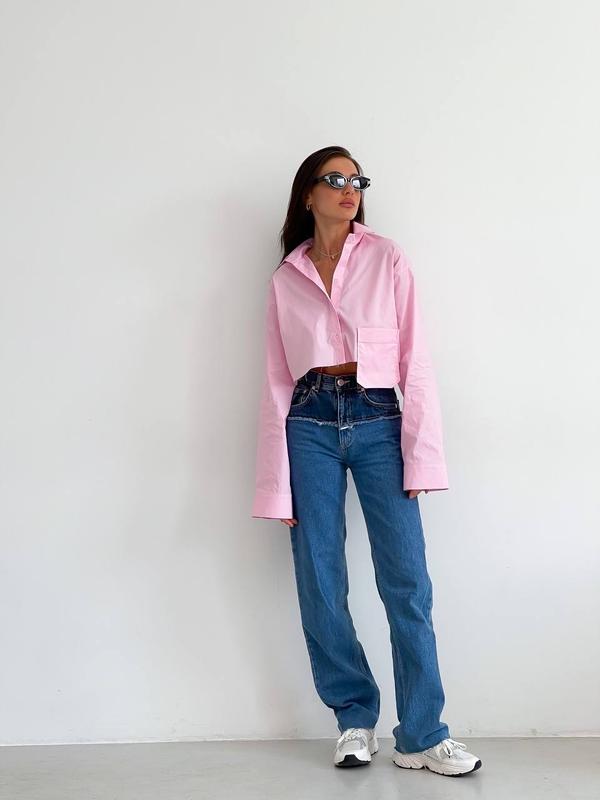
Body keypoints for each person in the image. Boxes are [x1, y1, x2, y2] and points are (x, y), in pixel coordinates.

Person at [251, 145, 482, 777]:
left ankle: (422, 733)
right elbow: (275, 380)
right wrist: (276, 485)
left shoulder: (386, 258)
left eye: (357, 180)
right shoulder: (286, 277)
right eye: (335, 179)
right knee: (320, 580)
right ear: (308, 194)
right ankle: (354, 718)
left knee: (407, 581)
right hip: (309, 423)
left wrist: (422, 457)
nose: (349, 189)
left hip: (380, 419)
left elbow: (416, 361)